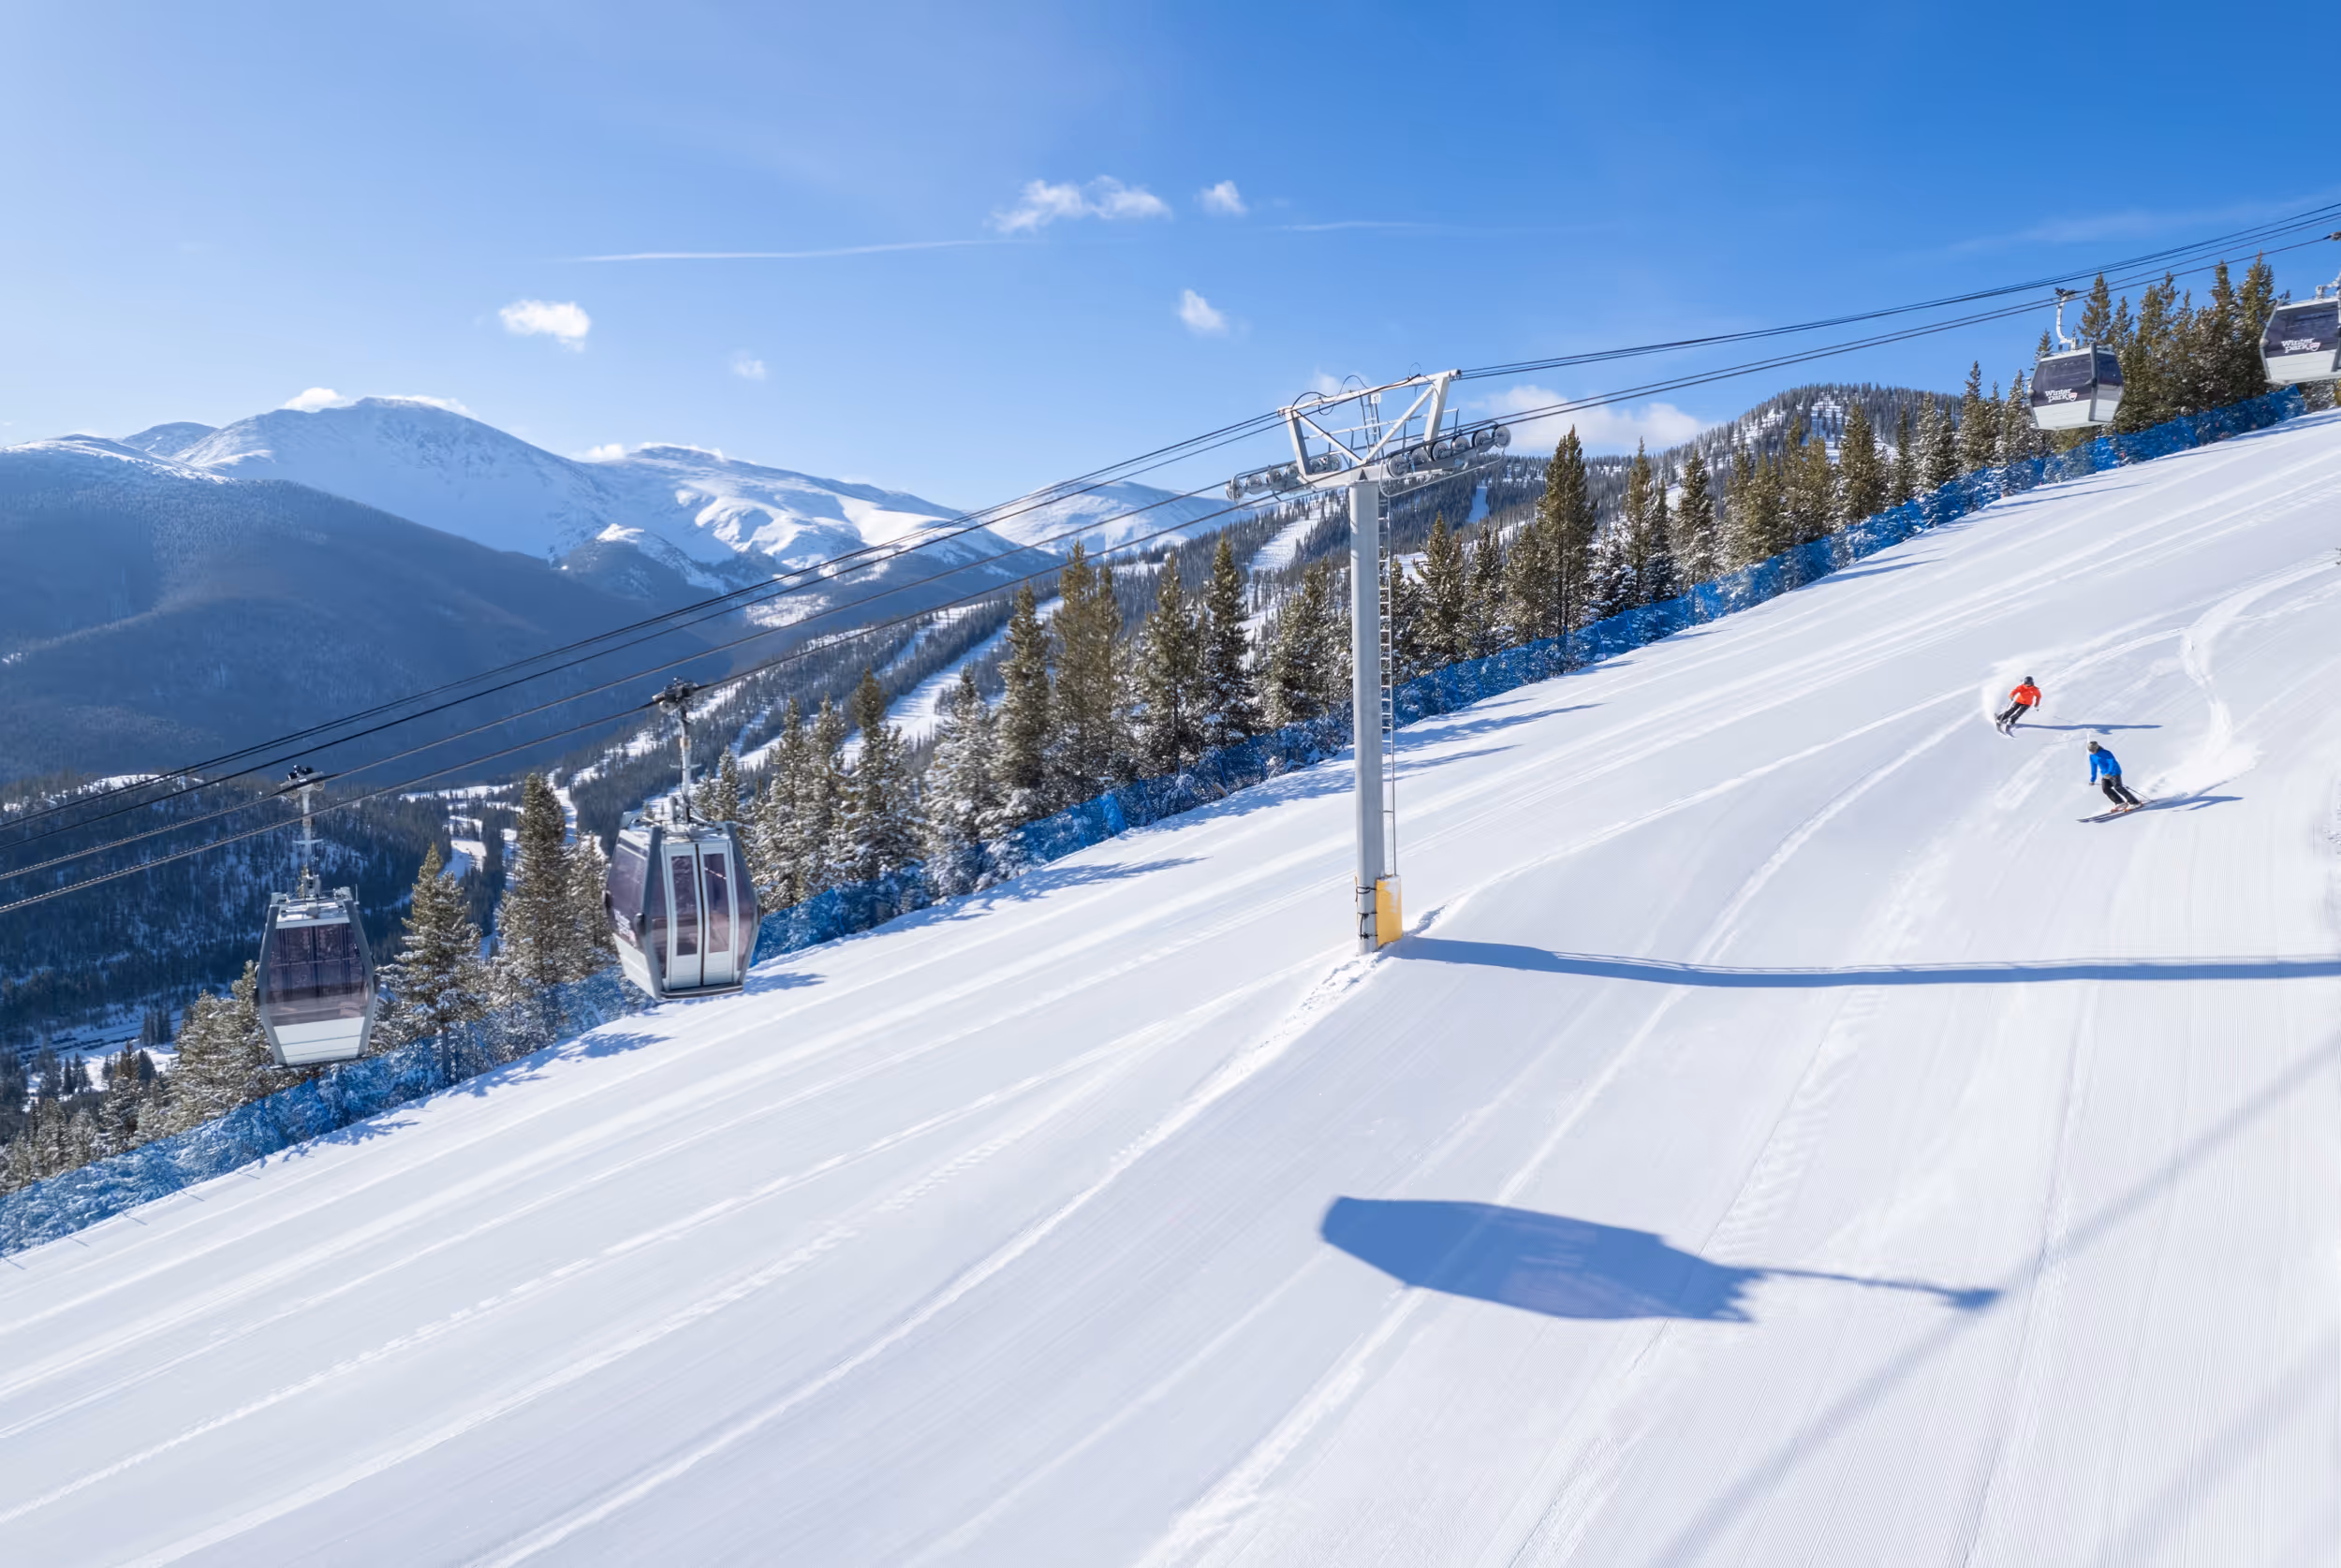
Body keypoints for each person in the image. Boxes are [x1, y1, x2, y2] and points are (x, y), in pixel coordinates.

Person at [2086, 740, 2143, 811]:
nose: (2092, 752)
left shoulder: (2106, 753)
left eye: (2093, 750)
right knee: (2105, 789)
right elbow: (2093, 767)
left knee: (2118, 787)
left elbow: (2112, 762)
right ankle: (2120, 803)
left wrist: (2109, 773)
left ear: (2097, 748)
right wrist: (2092, 779)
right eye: (2090, 750)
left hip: (2114, 772)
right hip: (2105, 774)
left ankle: (2135, 803)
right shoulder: (2092, 756)